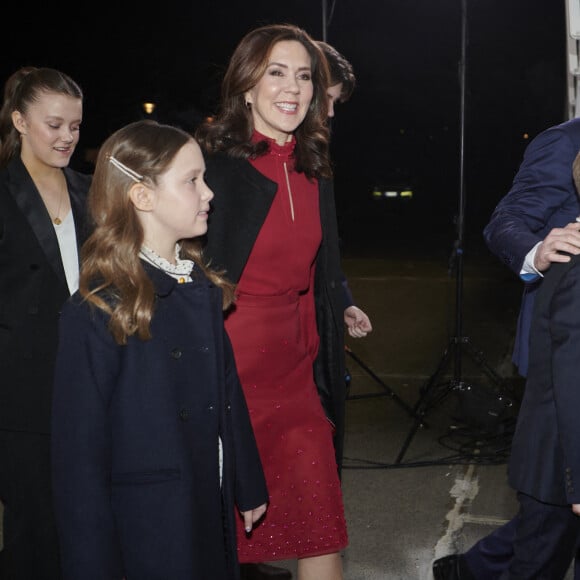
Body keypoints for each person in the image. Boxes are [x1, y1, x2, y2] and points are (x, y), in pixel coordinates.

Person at [50, 119, 269, 580]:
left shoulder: (199, 286)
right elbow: (79, 458)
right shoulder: (98, 307)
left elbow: (227, 395)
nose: (208, 193)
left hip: (205, 496)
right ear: (142, 196)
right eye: (192, 181)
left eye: (204, 179)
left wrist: (246, 482)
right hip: (148, 521)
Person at [195, 23, 349, 580]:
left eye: (304, 76)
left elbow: (320, 274)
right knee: (218, 536)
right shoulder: (212, 166)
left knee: (321, 525)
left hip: (296, 373)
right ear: (246, 85)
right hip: (229, 374)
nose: (293, 87)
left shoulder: (314, 168)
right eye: (276, 72)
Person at [433, 118, 580, 579]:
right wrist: (537, 252)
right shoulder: (564, 141)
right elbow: (506, 223)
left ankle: (470, 570)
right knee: (551, 508)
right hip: (564, 356)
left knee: (552, 516)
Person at [0, 66, 90, 580]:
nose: (67, 137)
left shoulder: (88, 189)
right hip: (22, 386)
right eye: (54, 125)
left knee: (80, 518)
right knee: (33, 524)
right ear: (19, 121)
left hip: (86, 379)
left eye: (75, 126)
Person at [317, 39, 373, 339]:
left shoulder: (314, 164)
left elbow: (322, 248)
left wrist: (342, 302)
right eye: (325, 98)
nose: (330, 113)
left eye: (334, 102)